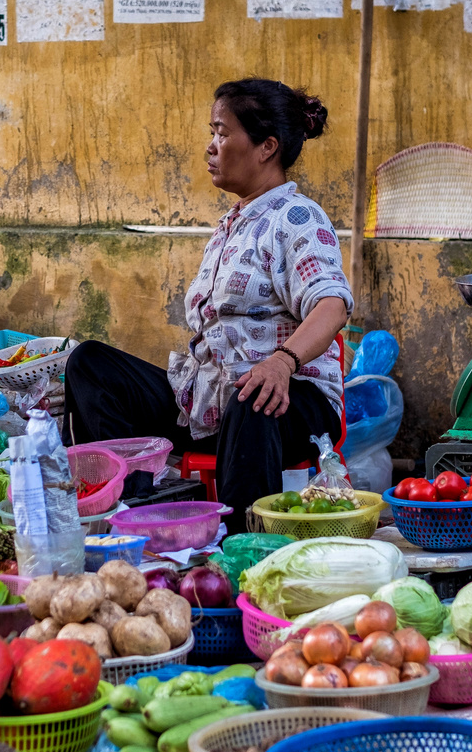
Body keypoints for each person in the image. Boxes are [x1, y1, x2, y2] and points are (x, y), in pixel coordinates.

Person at [64, 77, 352, 524]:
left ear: (266, 147)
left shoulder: (297, 217)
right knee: (90, 364)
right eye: (211, 133)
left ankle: (241, 543)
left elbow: (331, 304)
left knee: (250, 393)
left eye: (222, 133)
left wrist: (282, 361)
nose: (211, 146)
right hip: (210, 402)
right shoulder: (230, 225)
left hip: (291, 404)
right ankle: (129, 510)